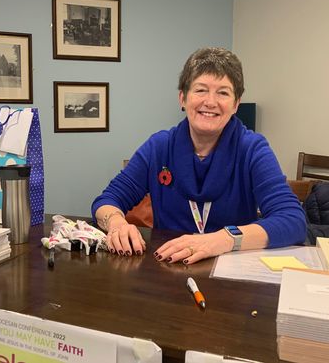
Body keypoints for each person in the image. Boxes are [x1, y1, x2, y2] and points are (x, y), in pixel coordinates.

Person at [91, 47, 306, 264]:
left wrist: (222, 239)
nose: (210, 102)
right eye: (201, 90)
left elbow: (292, 220)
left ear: (236, 103)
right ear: (182, 98)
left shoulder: (252, 149)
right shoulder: (159, 146)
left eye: (223, 92)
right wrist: (117, 223)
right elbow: (107, 200)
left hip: (231, 273)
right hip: (168, 266)